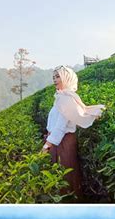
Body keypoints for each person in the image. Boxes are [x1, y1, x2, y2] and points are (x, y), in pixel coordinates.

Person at [43, 65, 105, 198]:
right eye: (53, 77)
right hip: (57, 141)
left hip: (62, 143)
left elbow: (60, 127)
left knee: (65, 176)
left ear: (67, 78)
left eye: (58, 76)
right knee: (61, 175)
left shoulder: (66, 99)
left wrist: (46, 146)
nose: (54, 79)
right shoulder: (62, 97)